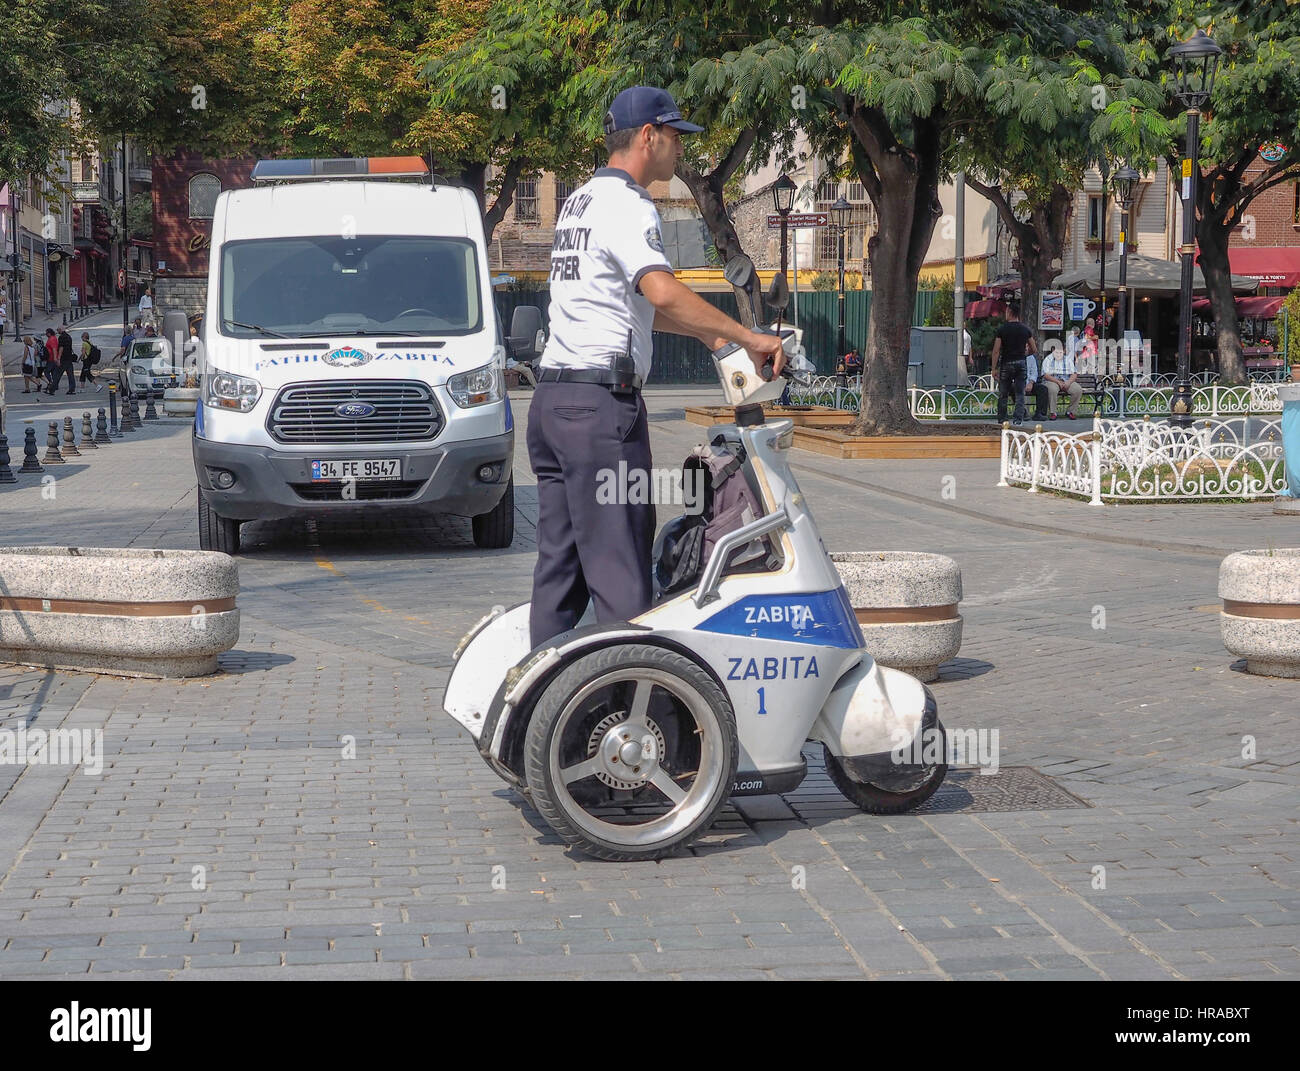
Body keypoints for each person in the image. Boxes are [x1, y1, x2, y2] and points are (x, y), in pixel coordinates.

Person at [528, 85, 786, 648]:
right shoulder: (629, 203)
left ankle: (538, 716)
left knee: (561, 575)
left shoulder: (580, 200)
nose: (679, 152)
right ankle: (640, 723)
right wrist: (747, 334)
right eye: (674, 138)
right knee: (622, 578)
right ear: (649, 136)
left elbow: (637, 307)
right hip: (600, 412)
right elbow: (661, 291)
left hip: (553, 405)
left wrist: (712, 341)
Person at [991, 301, 1037, 426]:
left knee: (1003, 392)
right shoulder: (1025, 329)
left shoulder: (1002, 329)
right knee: (1020, 392)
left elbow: (996, 350)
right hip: (1021, 363)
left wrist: (994, 368)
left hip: (1006, 363)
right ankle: (1018, 419)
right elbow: (1034, 349)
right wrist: (1025, 354)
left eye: (1006, 311)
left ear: (1009, 312)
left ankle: (1002, 419)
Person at [1041, 341, 1083, 419]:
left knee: (1078, 390)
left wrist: (1069, 382)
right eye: (1056, 352)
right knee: (1052, 389)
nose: (1059, 354)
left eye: (1061, 352)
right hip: (1052, 380)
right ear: (1053, 350)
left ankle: (1070, 411)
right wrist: (1057, 382)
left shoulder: (1067, 359)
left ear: (1064, 351)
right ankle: (1053, 413)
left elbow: (1074, 373)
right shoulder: (1048, 359)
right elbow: (1045, 375)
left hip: (1066, 380)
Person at [55, 326, 76, 394]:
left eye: (58, 330)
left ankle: (52, 388)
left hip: (63, 359)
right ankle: (72, 389)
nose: (57, 332)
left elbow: (61, 348)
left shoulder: (61, 337)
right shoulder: (69, 337)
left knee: (58, 374)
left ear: (61, 330)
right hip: (69, 358)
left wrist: (58, 358)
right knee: (70, 375)